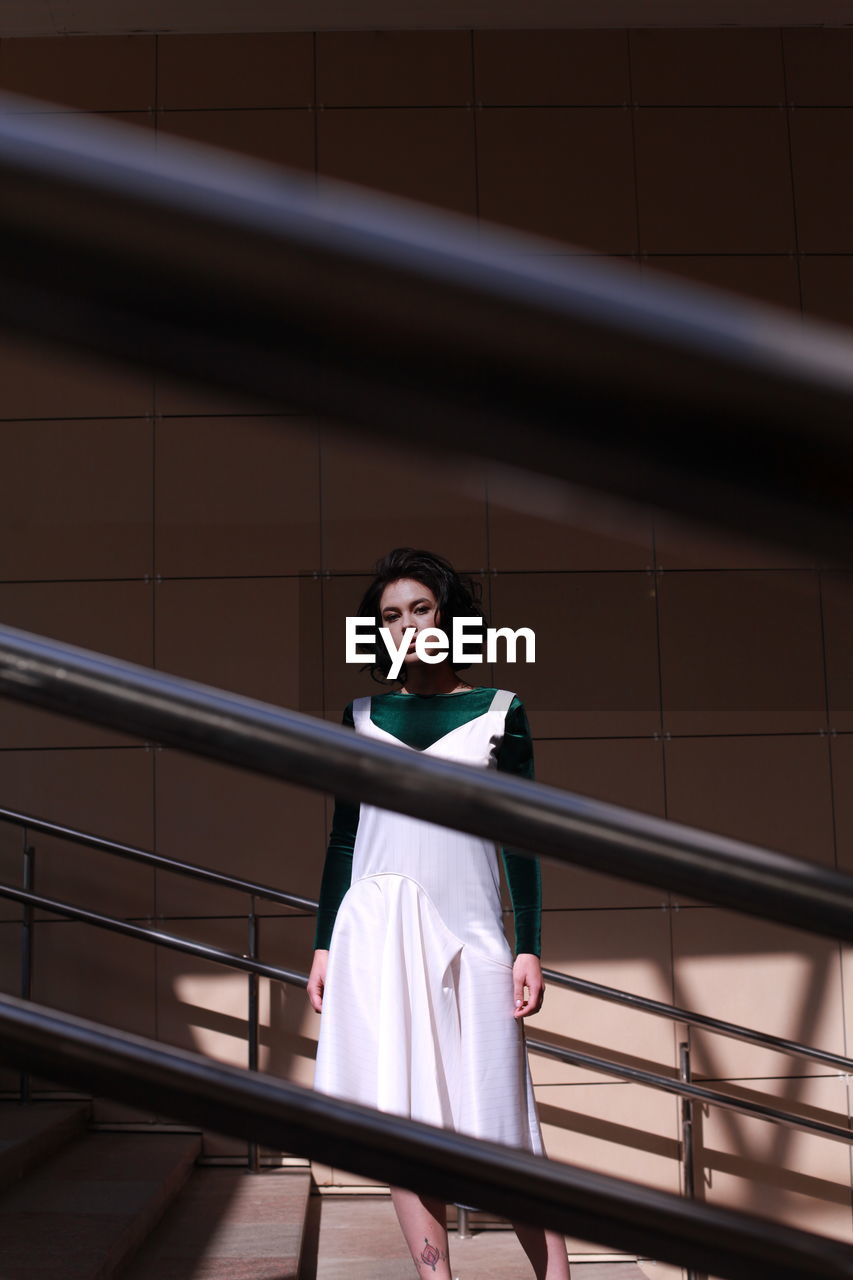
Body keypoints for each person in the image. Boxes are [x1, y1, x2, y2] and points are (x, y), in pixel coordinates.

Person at [307, 547, 571, 1280]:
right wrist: (324, 946)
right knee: (401, 1117)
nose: (407, 624)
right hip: (378, 931)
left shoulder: (497, 710)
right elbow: (343, 836)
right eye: (391, 615)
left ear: (448, 617)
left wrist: (528, 947)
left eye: (420, 608)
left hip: (473, 933)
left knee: (500, 1124)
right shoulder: (360, 717)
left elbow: (523, 837)